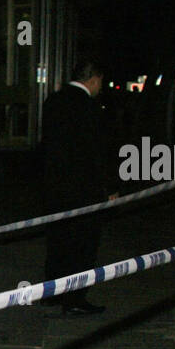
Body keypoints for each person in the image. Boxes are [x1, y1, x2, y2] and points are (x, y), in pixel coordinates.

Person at [39, 58, 113, 315]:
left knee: (58, 241)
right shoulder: (89, 108)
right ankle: (75, 299)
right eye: (100, 82)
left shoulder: (53, 102)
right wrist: (108, 187)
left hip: (55, 187)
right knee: (82, 246)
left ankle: (52, 292)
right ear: (93, 79)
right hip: (83, 190)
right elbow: (96, 154)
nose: (100, 87)